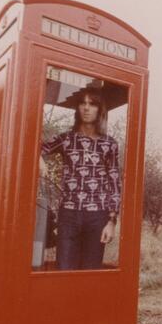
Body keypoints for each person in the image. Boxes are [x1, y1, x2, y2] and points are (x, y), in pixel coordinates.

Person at [41, 88, 121, 270]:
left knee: (90, 272)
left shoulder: (110, 144)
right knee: (64, 269)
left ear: (99, 110)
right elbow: (35, 147)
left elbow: (114, 181)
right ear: (77, 108)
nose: (86, 108)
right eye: (82, 103)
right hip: (69, 213)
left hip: (97, 216)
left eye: (92, 104)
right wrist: (39, 160)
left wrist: (112, 222)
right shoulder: (66, 139)